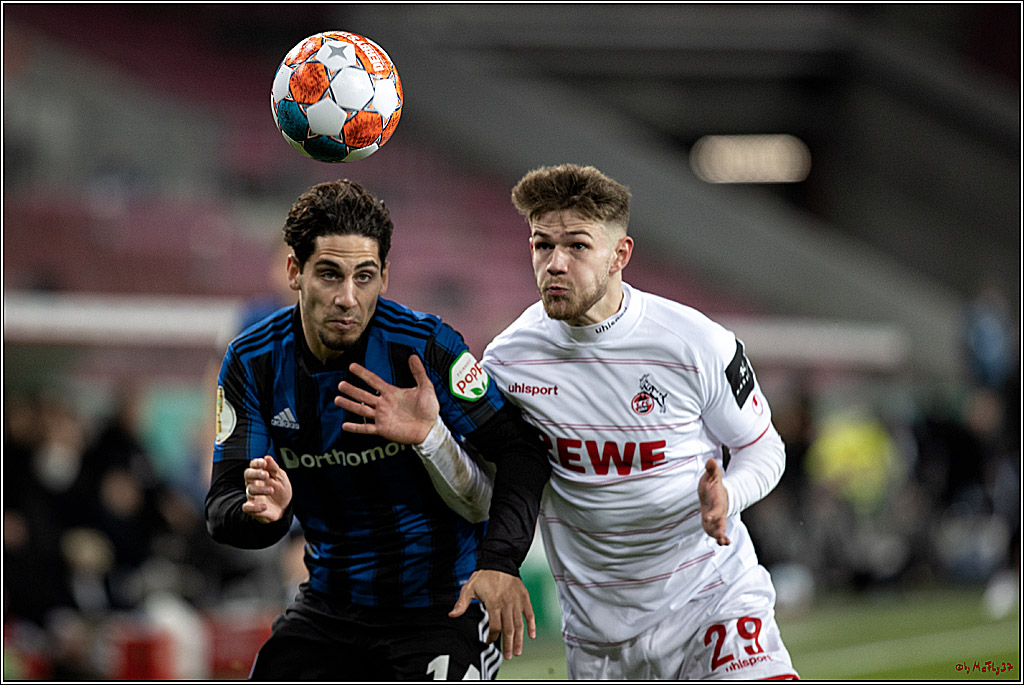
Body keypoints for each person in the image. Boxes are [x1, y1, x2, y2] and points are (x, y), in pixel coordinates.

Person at [451, 164, 799, 679]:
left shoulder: (696, 343)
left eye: (576, 247)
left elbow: (765, 448)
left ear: (620, 255)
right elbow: (491, 483)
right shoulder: (509, 361)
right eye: (542, 245)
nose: (554, 264)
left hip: (712, 599)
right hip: (599, 637)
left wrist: (730, 495)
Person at [205, 179, 549, 680]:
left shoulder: (425, 348)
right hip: (329, 606)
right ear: (293, 271)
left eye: (364, 276)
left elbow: (521, 450)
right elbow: (222, 506)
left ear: (385, 277)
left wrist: (499, 562)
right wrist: (267, 516)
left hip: (442, 606)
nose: (348, 298)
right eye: (329, 274)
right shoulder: (253, 359)